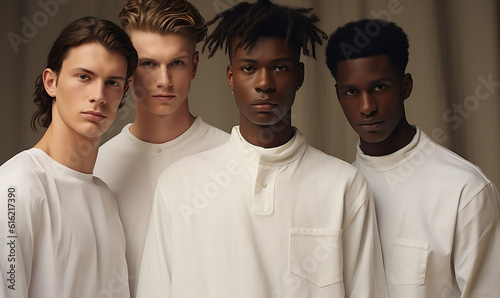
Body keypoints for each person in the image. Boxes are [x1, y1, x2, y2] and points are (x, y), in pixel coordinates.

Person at [136, 1, 388, 297]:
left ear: (299, 77)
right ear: (231, 77)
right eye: (249, 68)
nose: (265, 83)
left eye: (280, 68)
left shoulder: (343, 185)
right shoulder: (179, 184)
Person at [325, 19, 500, 297]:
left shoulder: (465, 189)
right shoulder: (335, 190)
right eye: (351, 92)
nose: (367, 107)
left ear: (405, 86)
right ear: (338, 95)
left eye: (380, 87)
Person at [93, 0, 229, 296]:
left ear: (193, 66)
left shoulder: (234, 158)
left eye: (176, 63)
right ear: (128, 69)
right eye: (149, 64)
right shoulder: (98, 168)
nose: (164, 81)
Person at [0, 16, 137, 297]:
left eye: (112, 82)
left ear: (124, 91)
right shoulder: (16, 186)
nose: (98, 95)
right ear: (52, 82)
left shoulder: (105, 197)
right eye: (84, 76)